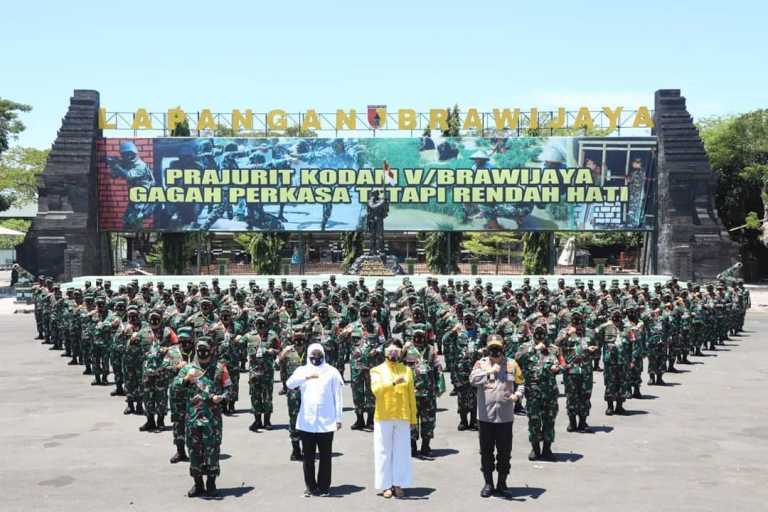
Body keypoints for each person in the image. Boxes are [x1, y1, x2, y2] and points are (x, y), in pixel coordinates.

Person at [470, 334, 525, 497]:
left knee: (504, 452)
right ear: (487, 349)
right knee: (486, 452)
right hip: (486, 417)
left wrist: (517, 396)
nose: (495, 352)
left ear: (503, 348)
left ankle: (502, 483)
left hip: (505, 416)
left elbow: (521, 383)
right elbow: (472, 379)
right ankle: (488, 483)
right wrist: (488, 372)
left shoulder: (512, 364)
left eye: (498, 349)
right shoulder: (481, 363)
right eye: (492, 349)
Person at [286, 343, 344, 497]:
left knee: (325, 457)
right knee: (308, 457)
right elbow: (289, 384)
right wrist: (305, 377)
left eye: (319, 356)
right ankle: (310, 487)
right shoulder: (302, 370)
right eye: (313, 356)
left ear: (323, 356)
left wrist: (338, 418)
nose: (316, 359)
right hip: (307, 422)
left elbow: (338, 397)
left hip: (326, 421)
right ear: (309, 356)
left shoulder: (332, 372)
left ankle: (324, 487)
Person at [370, 342, 417, 499]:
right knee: (383, 451)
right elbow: (376, 390)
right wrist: (393, 383)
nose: (393, 353)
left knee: (401, 451)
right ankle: (385, 485)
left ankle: (398, 483)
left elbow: (411, 396)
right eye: (390, 350)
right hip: (384, 416)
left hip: (402, 415)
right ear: (384, 351)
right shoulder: (376, 370)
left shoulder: (407, 370)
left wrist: (413, 417)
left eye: (396, 350)